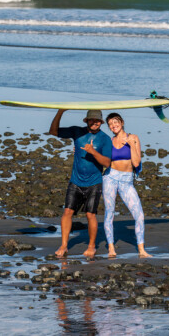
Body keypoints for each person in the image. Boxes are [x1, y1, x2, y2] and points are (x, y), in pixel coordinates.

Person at [49, 109, 112, 258]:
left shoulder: (105, 139)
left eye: (97, 121)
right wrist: (60, 112)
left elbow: (107, 163)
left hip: (94, 183)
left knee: (90, 214)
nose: (94, 123)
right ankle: (64, 246)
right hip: (75, 181)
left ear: (101, 122)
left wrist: (93, 152)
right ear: (86, 121)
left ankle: (91, 246)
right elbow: (53, 131)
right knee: (67, 212)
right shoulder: (77, 131)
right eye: (92, 120)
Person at [102, 112, 152, 258]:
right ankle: (111, 248)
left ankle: (142, 250)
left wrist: (131, 145)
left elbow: (136, 162)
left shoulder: (133, 138)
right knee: (109, 212)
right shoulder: (109, 141)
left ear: (122, 122)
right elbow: (100, 157)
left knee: (139, 215)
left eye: (115, 122)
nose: (113, 125)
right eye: (110, 124)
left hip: (126, 180)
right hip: (110, 177)